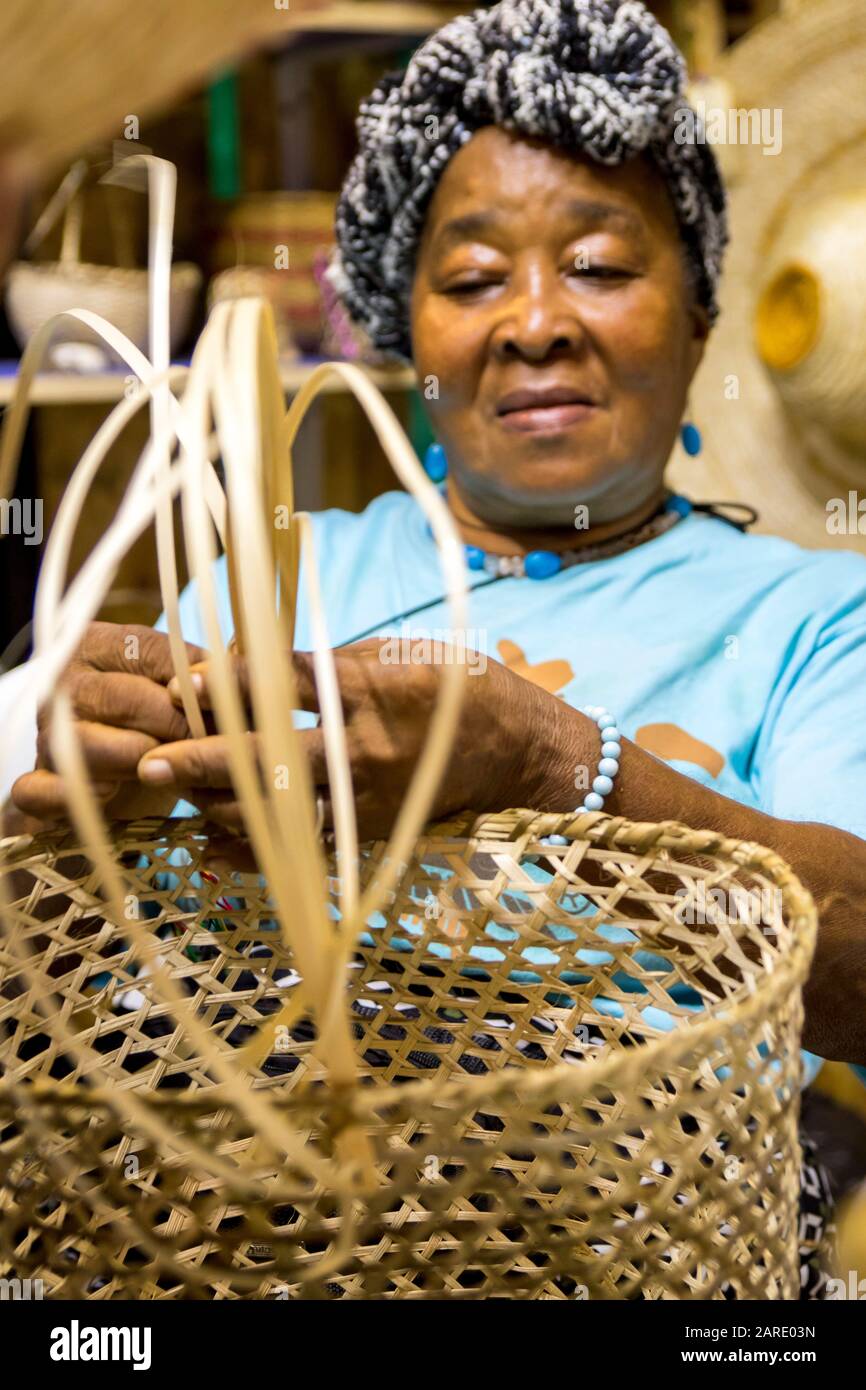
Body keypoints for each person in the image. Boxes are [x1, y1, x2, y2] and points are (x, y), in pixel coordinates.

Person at [3, 0, 863, 1293]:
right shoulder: (283, 579)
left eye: (599, 264)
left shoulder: (810, 613)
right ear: (407, 337)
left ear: (698, 313)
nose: (532, 322)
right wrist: (67, 784)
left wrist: (555, 766)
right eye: (469, 279)